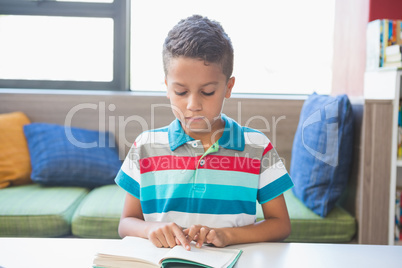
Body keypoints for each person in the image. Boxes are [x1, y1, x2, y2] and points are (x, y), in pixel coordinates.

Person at [115, 14, 294, 251]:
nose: (193, 105)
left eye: (207, 92)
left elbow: (280, 224)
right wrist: (150, 230)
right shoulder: (145, 145)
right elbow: (126, 223)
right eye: (180, 91)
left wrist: (228, 235)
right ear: (167, 88)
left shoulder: (257, 147)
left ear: (228, 87)